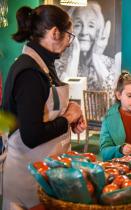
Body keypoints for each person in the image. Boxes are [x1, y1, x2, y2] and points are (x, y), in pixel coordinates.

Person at [1, 5, 86, 209]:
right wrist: (67, 119)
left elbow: (46, 107)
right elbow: (32, 136)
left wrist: (69, 111)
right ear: (55, 32)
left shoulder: (42, 65)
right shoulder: (29, 72)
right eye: (69, 35)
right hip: (27, 178)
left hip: (45, 171)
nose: (69, 43)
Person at [55, 1, 119, 104]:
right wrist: (74, 54)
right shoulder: (58, 64)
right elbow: (62, 99)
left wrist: (96, 56)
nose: (84, 32)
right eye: (78, 25)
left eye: (91, 25)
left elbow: (114, 99)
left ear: (99, 31)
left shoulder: (110, 64)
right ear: (70, 31)